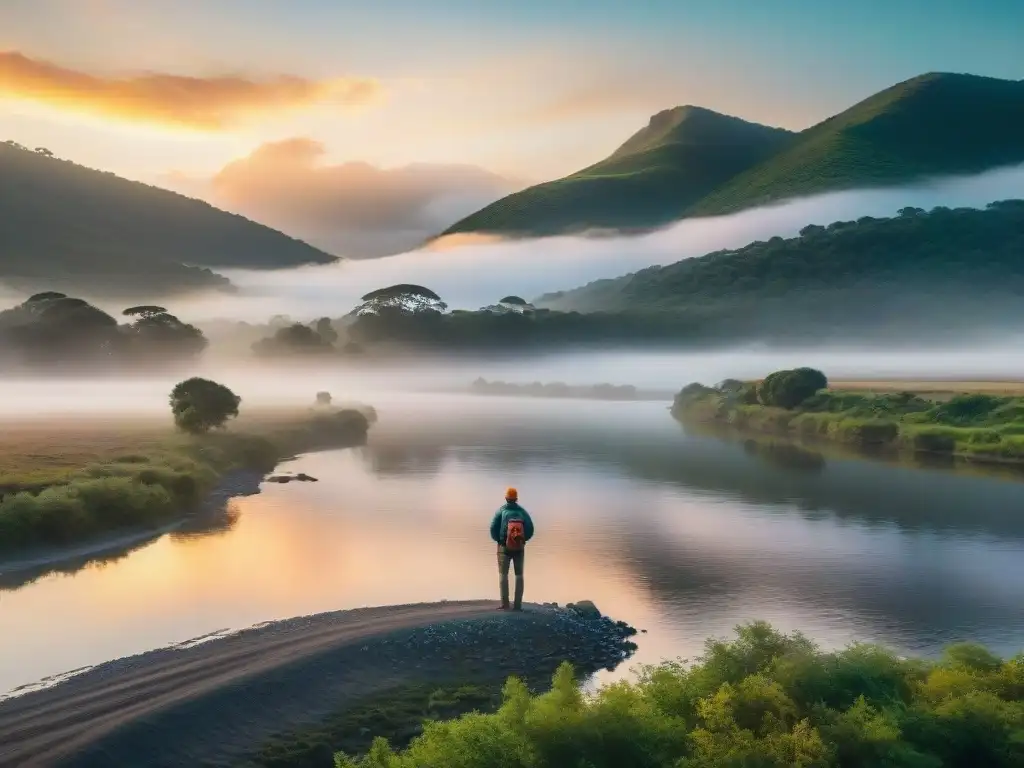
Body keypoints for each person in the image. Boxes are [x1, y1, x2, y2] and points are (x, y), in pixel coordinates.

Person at [489, 487, 534, 611]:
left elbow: (493, 528)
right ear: (516, 499)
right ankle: (518, 605)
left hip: (503, 547)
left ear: (506, 498)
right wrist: (523, 540)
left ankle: (505, 604)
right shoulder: (522, 512)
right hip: (519, 548)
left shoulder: (501, 511)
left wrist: (499, 540)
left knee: (503, 575)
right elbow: (531, 529)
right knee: (519, 576)